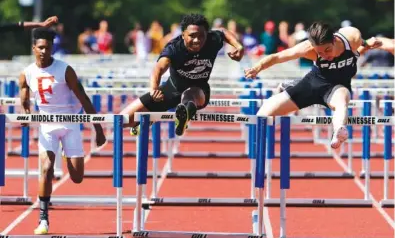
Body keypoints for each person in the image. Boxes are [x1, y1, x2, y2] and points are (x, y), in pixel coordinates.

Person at [19, 28, 106, 234]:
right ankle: (43, 219)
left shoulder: (65, 70)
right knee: (46, 169)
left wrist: (98, 128)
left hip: (70, 123)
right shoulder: (27, 73)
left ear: (52, 48)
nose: (43, 51)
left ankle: (69, 153)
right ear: (34, 48)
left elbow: (83, 98)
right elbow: (24, 98)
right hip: (47, 125)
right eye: (40, 47)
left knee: (76, 177)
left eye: (47, 48)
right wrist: (25, 113)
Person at [244, 22, 381, 149]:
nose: (324, 55)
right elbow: (278, 57)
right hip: (312, 84)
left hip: (337, 87)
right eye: (319, 52)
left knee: (342, 99)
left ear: (334, 40)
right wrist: (258, 67)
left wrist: (367, 43)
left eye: (327, 50)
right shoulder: (307, 48)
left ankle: (339, 131)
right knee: (263, 112)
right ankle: (258, 150)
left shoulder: (351, 38)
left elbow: (362, 42)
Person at [121, 13, 244, 136]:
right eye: (192, 36)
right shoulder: (174, 48)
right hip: (171, 89)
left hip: (198, 91)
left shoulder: (212, 40)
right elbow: (158, 69)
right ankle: (149, 120)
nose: (197, 40)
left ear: (207, 34)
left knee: (189, 94)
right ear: (183, 35)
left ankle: (184, 114)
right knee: (121, 120)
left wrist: (238, 46)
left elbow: (222, 32)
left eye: (201, 36)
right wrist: (154, 90)